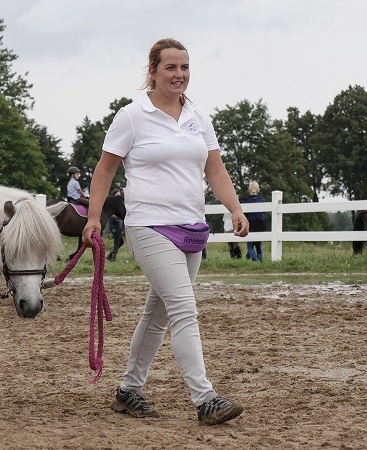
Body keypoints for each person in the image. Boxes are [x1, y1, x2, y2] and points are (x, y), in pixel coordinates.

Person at [82, 38, 248, 426]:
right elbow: (105, 169)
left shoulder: (198, 115)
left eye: (185, 67)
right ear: (153, 71)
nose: (179, 75)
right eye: (171, 67)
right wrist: (94, 218)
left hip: (190, 228)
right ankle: (205, 398)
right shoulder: (131, 116)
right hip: (148, 225)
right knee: (183, 308)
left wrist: (235, 208)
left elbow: (215, 170)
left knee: (157, 315)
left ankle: (127, 390)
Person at [243, 181, 266, 261]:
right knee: (258, 244)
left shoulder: (246, 201)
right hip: (260, 223)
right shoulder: (262, 200)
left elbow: (245, 215)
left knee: (250, 245)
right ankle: (260, 260)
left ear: (249, 190)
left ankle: (254, 259)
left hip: (251, 223)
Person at [106, 188, 125, 261]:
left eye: (119, 196)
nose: (118, 198)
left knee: (121, 242)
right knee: (117, 242)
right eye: (117, 196)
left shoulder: (120, 205)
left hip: (119, 223)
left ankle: (110, 255)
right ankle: (113, 257)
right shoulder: (111, 204)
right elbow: (110, 215)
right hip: (114, 223)